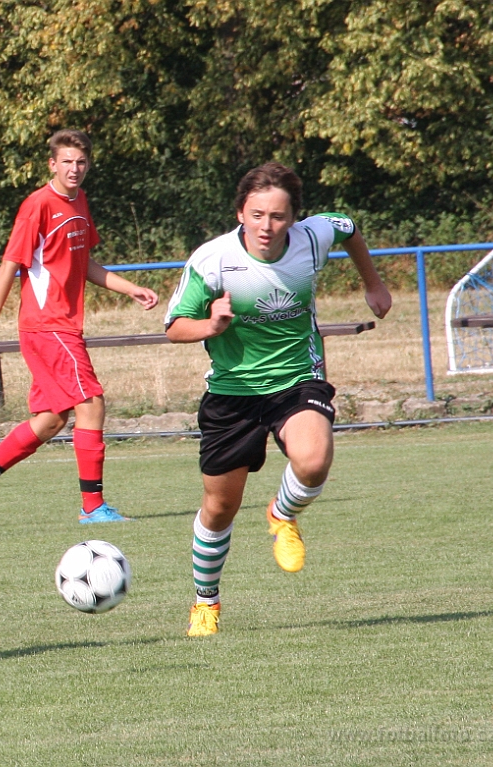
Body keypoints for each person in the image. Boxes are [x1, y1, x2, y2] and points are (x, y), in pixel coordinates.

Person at [164, 162, 393, 637]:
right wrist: (211, 325)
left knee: (313, 460)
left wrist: (373, 282)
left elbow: (349, 227)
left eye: (278, 216)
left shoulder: (312, 238)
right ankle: (206, 602)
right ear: (240, 213)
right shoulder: (212, 260)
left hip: (297, 380)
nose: (267, 226)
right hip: (233, 393)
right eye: (257, 215)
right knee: (219, 508)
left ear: (294, 218)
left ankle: (282, 514)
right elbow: (174, 327)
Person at [0, 129, 159, 527]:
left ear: (88, 165)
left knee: (51, 419)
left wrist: (130, 288)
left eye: (80, 162)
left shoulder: (79, 200)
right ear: (52, 164)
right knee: (91, 403)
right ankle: (93, 507)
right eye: (66, 162)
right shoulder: (38, 205)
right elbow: (9, 266)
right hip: (48, 327)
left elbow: (85, 265)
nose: (74, 169)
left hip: (62, 328)